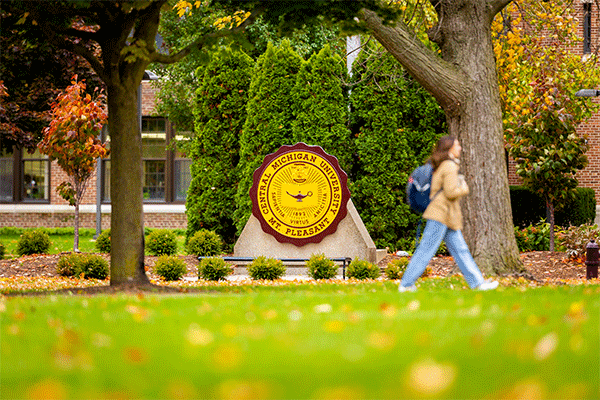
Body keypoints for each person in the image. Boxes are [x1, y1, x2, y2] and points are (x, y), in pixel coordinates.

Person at [399, 135, 499, 292]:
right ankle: (405, 284)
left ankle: (478, 283)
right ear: (450, 148)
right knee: (426, 250)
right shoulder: (449, 166)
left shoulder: (441, 165)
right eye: (457, 145)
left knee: (461, 250)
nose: (460, 148)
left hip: (445, 215)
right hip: (441, 215)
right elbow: (451, 192)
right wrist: (464, 188)